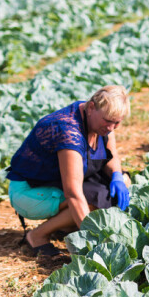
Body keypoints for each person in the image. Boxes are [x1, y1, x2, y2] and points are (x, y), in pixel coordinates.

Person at [8, 85, 132, 256]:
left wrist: (117, 176)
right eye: (108, 121)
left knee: (123, 181)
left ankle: (65, 225)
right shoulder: (68, 131)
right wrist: (93, 243)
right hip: (30, 191)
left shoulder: (100, 118)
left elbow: (112, 155)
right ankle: (37, 236)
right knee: (97, 198)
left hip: (57, 180)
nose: (111, 128)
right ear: (90, 108)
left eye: (116, 122)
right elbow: (73, 193)